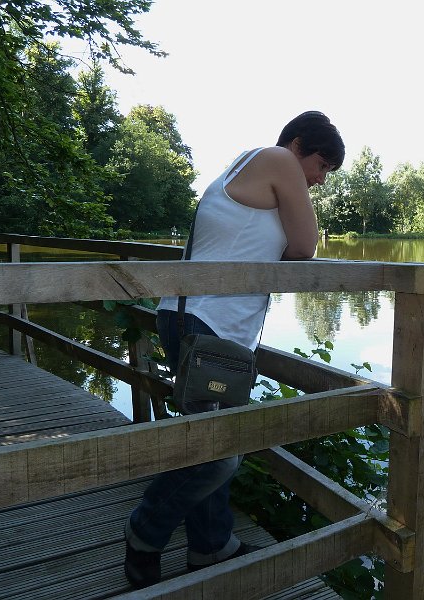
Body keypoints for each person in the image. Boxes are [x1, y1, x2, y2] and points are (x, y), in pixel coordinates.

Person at [124, 111, 345, 588]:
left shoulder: (250, 167)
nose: (320, 180)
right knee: (219, 451)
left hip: (198, 319)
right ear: (298, 144)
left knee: (215, 439)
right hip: (206, 323)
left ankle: (210, 547)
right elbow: (305, 246)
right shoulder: (278, 159)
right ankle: (144, 532)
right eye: (322, 166)